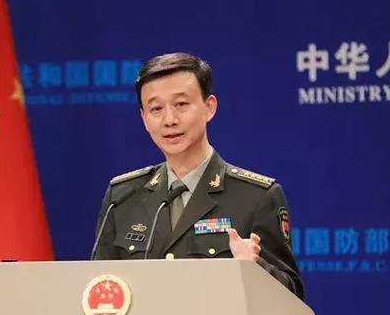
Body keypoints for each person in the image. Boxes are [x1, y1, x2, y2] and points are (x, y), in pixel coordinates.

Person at [93, 52, 304, 299]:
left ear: (209, 107)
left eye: (181, 104)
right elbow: (98, 288)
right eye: (156, 109)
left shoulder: (256, 197)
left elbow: (292, 296)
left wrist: (255, 269)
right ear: (144, 119)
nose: (170, 120)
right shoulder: (121, 198)